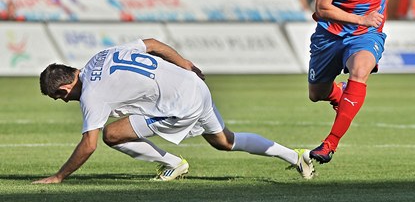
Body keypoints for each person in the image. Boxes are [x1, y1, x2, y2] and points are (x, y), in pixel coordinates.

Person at [33, 38, 314, 184]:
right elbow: (152, 44)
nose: (63, 102)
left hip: (180, 105)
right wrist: (186, 64)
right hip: (193, 85)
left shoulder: (91, 95)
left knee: (111, 134)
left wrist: (59, 176)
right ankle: (296, 156)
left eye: (59, 98)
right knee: (225, 141)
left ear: (64, 89)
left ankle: (173, 164)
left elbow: (88, 145)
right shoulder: (100, 56)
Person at [306, 0, 415, 164]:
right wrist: (361, 18)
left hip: (366, 34)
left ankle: (329, 144)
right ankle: (339, 94)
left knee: (360, 71)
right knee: (316, 94)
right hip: (331, 33)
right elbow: (321, 8)